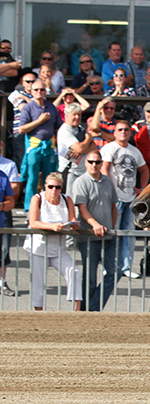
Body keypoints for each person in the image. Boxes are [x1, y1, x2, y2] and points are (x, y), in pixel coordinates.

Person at [24, 172, 82, 311]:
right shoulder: (37, 198)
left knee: (74, 272)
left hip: (58, 248)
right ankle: (39, 313)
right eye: (51, 187)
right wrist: (52, 226)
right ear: (45, 187)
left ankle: (77, 311)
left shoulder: (66, 199)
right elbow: (33, 222)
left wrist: (74, 224)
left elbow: (73, 219)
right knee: (38, 282)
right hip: (38, 247)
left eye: (57, 187)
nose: (54, 190)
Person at [101, 119, 149, 280]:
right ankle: (110, 266)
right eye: (120, 129)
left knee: (128, 234)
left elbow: (144, 170)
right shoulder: (109, 148)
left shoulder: (134, 151)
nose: (123, 132)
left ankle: (126, 266)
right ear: (114, 132)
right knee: (112, 233)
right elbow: (105, 169)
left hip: (130, 198)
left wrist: (141, 189)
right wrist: (110, 192)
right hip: (115, 199)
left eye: (126, 129)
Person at [73, 150, 119, 311]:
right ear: (85, 163)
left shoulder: (107, 181)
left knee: (114, 273)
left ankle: (92, 308)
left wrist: (112, 228)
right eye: (91, 162)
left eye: (97, 162)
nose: (94, 165)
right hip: (89, 236)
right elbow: (82, 208)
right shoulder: (80, 182)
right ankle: (88, 312)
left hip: (108, 235)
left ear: (101, 164)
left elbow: (114, 206)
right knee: (90, 277)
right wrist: (95, 225)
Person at [18, 79, 62, 211]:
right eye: (36, 90)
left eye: (42, 90)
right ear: (31, 92)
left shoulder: (51, 107)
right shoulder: (28, 107)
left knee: (50, 180)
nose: (39, 92)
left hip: (49, 147)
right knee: (32, 179)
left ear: (46, 91)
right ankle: (30, 209)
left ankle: (48, 207)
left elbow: (60, 126)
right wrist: (39, 121)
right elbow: (21, 129)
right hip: (34, 146)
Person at [56, 102, 96, 196]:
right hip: (70, 172)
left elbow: (93, 147)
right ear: (67, 115)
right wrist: (88, 139)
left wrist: (82, 149)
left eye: (79, 114)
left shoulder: (80, 128)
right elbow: (80, 148)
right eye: (74, 114)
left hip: (83, 171)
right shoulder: (64, 130)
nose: (77, 117)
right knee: (70, 201)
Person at [0, 141, 21, 296]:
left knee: (4, 249)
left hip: (2, 216)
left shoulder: (4, 173)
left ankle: (2, 282)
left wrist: (1, 206)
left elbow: (12, 198)